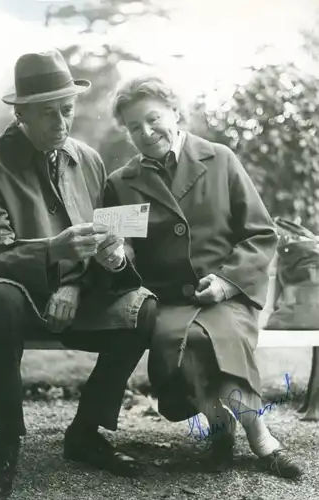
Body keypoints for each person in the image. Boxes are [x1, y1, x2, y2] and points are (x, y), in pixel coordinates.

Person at [0, 50, 157, 500]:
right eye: (47, 114)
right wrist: (54, 251)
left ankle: (85, 433)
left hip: (71, 291)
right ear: (20, 114)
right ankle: (4, 446)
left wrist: (92, 268)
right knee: (2, 300)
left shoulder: (89, 160)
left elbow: (112, 232)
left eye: (67, 110)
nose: (61, 123)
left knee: (143, 310)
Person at [105, 75, 304, 479]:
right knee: (184, 341)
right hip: (167, 300)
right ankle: (232, 430)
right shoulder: (120, 183)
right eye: (134, 127)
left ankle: (254, 436)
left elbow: (260, 233)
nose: (146, 133)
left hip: (229, 292)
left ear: (175, 112)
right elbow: (122, 254)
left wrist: (227, 281)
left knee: (212, 337)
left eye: (153, 119)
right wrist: (115, 257)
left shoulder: (220, 159)